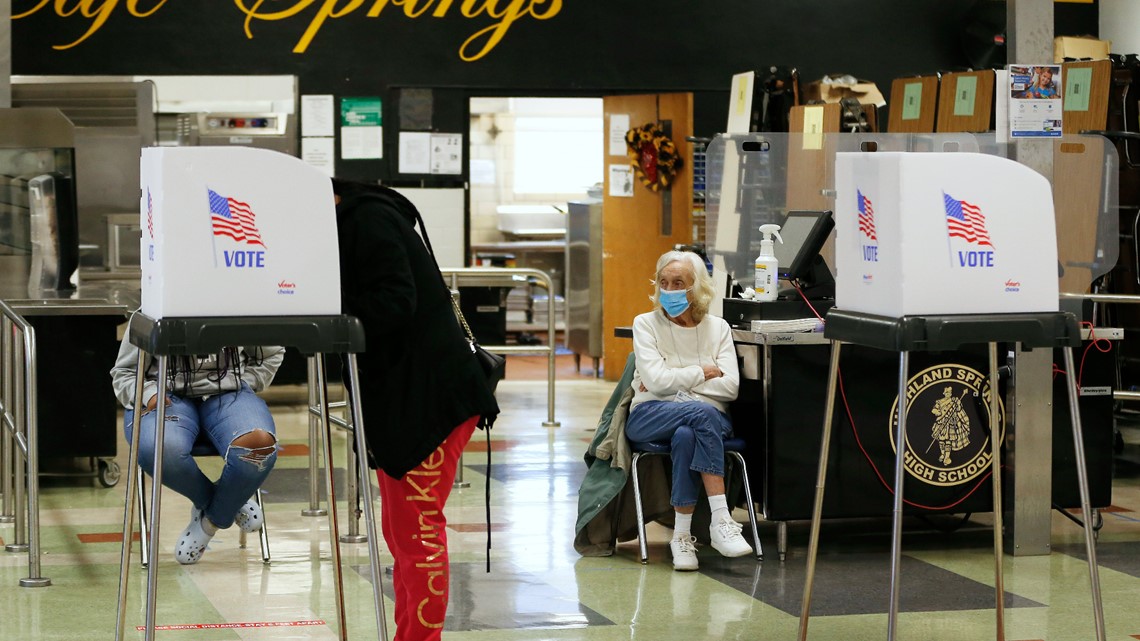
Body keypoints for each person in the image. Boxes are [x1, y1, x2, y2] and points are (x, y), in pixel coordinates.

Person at [332, 178, 499, 641]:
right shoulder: (365, 215)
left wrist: (324, 307)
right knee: (402, 533)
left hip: (427, 402)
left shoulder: (365, 218)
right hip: (406, 400)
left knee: (418, 535)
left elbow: (395, 301)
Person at [109, 328, 284, 565]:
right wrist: (150, 393)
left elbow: (271, 354)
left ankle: (210, 522)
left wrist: (242, 381)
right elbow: (124, 372)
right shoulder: (152, 309)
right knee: (160, 449)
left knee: (258, 450)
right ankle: (227, 503)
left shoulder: (240, 304)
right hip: (164, 394)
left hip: (229, 394)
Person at [626, 249, 752, 571]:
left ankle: (681, 538)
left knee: (687, 432)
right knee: (702, 413)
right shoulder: (645, 324)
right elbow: (654, 382)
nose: (668, 290)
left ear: (696, 287)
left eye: (678, 282)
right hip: (650, 415)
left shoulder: (719, 328)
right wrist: (702, 371)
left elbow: (731, 388)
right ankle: (721, 519)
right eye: (663, 282)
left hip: (703, 420)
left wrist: (673, 378)